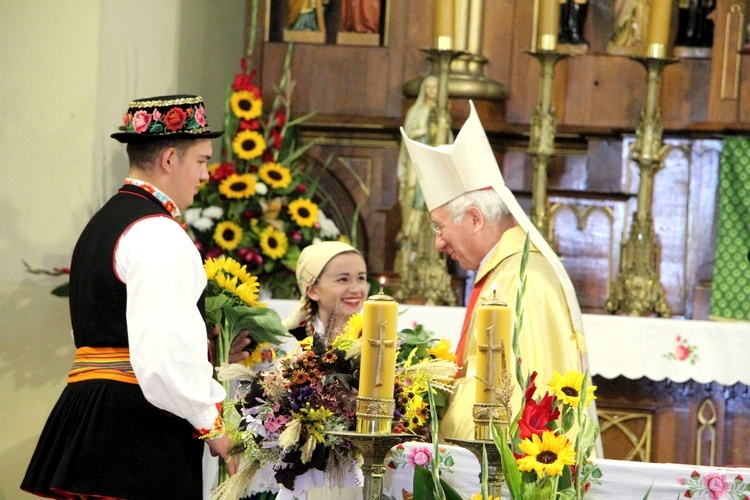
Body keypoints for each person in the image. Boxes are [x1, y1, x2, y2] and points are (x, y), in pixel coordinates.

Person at [21, 95, 239, 499]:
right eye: (203, 161)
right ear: (170, 159)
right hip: (137, 428)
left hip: (95, 410)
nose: (206, 175)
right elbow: (164, 350)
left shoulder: (103, 223)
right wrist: (212, 425)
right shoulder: (157, 231)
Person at [400, 101, 600, 453]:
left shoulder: (525, 281)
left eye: (441, 227)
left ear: (475, 219)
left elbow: (532, 395)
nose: (439, 241)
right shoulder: (503, 271)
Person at [275, 240, 368, 499]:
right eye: (343, 279)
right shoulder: (289, 341)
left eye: (361, 278)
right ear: (313, 290)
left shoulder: (377, 336)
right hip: (304, 471)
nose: (356, 288)